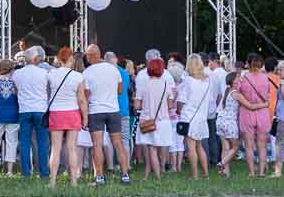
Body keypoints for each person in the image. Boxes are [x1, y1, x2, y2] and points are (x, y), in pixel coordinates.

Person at [81, 45, 130, 184]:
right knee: (118, 144)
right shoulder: (113, 69)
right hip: (113, 110)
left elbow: (86, 95)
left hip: (95, 111)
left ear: (90, 56)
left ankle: (100, 177)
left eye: (87, 55)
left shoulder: (87, 73)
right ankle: (125, 175)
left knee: (97, 144)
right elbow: (120, 90)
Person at [44, 47, 85, 187]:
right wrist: (85, 117)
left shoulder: (51, 74)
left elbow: (47, 93)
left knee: (55, 148)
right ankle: (74, 181)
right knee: (71, 148)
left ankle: (52, 181)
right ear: (71, 59)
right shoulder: (78, 76)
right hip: (73, 113)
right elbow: (81, 99)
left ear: (58, 59)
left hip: (56, 113)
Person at [232, 55, 277, 178]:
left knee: (249, 145)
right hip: (262, 112)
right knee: (262, 145)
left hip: (247, 112)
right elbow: (268, 95)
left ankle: (251, 172)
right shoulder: (265, 79)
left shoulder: (243, 78)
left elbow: (236, 92)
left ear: (248, 63)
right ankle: (262, 172)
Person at [134, 50, 176, 181]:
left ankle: (154, 175)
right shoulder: (166, 85)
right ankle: (159, 170)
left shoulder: (143, 84)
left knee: (151, 149)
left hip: (147, 121)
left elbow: (137, 106)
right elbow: (170, 106)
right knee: (161, 147)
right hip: (163, 121)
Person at [12, 46, 50, 179]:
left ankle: (26, 172)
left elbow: (16, 92)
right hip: (40, 109)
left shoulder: (17, 74)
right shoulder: (44, 73)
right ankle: (44, 172)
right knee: (42, 142)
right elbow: (47, 90)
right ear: (35, 59)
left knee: (24, 142)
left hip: (24, 110)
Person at [178, 55, 213, 180]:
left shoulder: (188, 80)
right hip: (202, 117)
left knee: (191, 148)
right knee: (200, 146)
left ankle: (194, 175)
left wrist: (178, 110)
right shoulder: (207, 81)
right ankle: (206, 174)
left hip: (189, 116)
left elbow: (181, 100)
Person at [0, 58, 21, 176]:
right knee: (12, 143)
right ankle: (9, 170)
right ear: (11, 69)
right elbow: (19, 97)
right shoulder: (15, 82)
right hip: (13, 115)